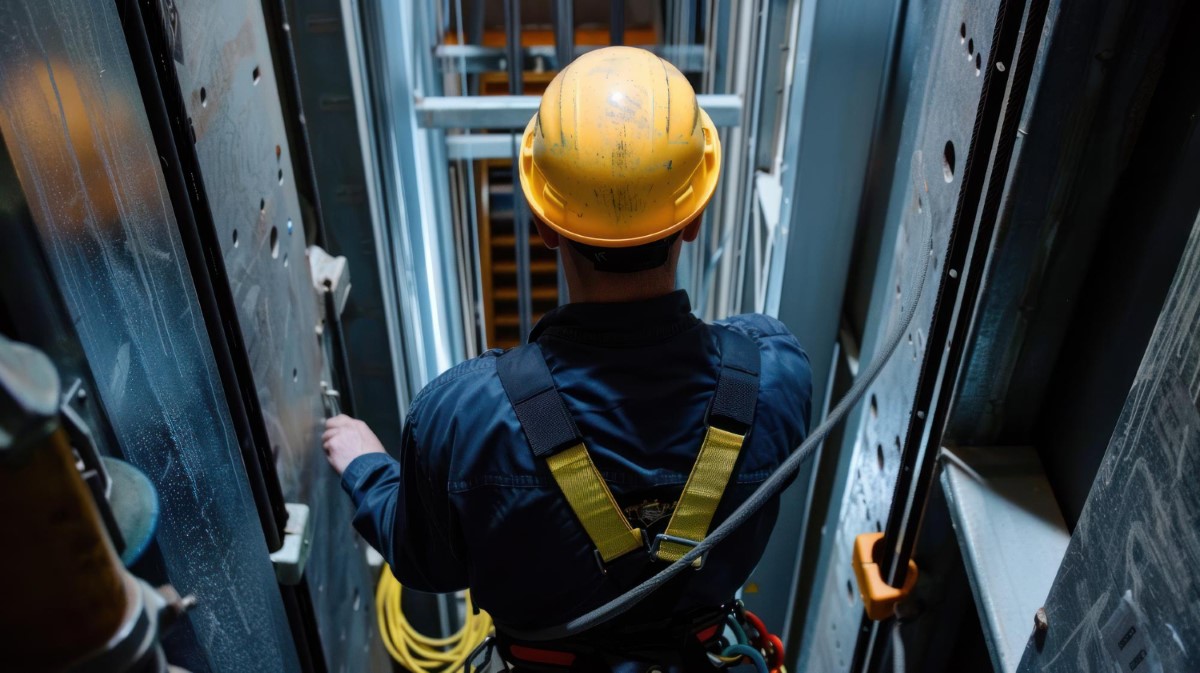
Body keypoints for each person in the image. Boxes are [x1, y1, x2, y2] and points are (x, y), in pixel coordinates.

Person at [323, 46, 812, 671]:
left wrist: (367, 468)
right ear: (693, 219)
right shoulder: (776, 378)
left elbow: (428, 563)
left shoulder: (462, 418)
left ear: (543, 225)